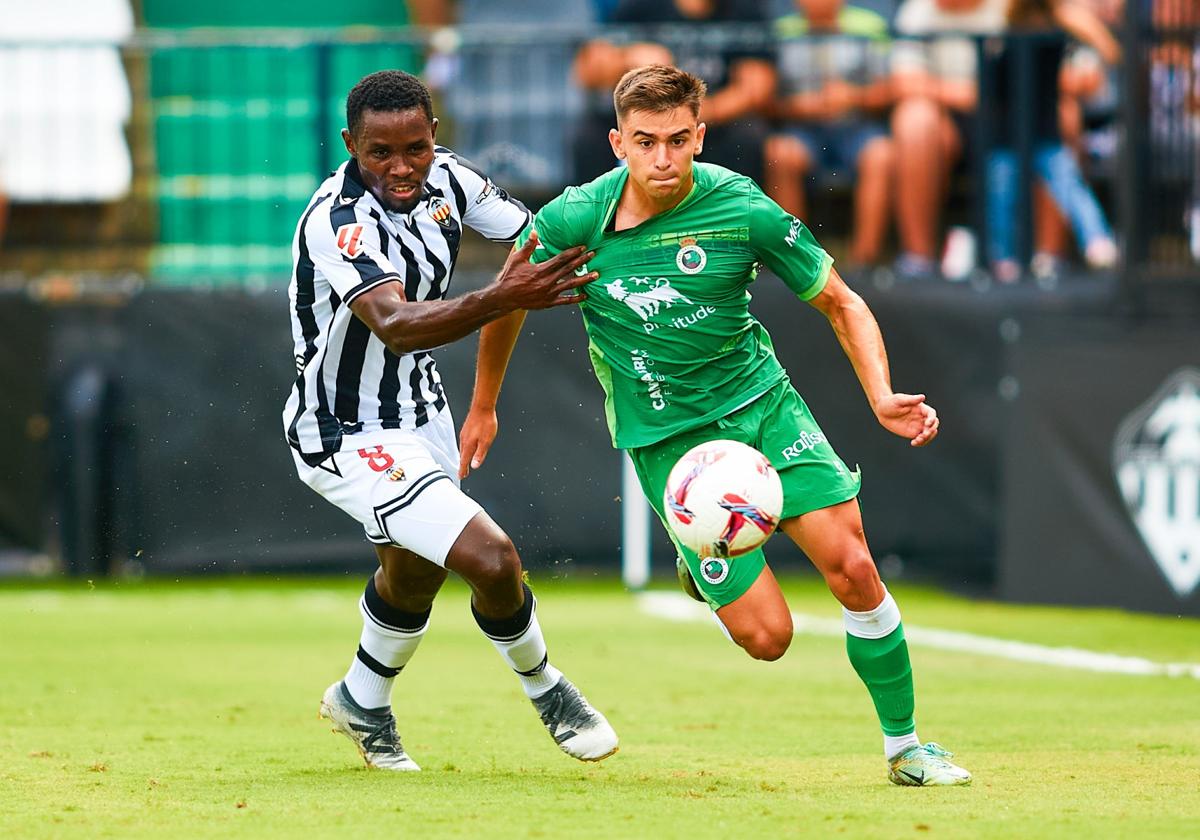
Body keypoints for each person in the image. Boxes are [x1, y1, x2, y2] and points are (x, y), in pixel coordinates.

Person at [461, 65, 971, 786]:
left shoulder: (742, 208)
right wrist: (484, 404)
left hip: (762, 408)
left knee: (855, 568)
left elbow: (842, 301)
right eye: (645, 142)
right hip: (672, 443)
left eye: (677, 140)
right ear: (617, 144)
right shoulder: (574, 220)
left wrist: (881, 395)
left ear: (700, 135)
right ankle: (694, 562)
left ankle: (906, 748)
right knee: (769, 639)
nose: (663, 159)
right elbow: (505, 299)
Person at [282, 70, 617, 771]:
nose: (400, 168)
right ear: (350, 145)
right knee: (491, 559)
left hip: (423, 415)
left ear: (435, 135)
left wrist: (484, 402)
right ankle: (548, 689)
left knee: (414, 575)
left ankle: (361, 699)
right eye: (379, 153)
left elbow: (535, 254)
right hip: (345, 432)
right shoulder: (337, 221)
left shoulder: (455, 183)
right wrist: (501, 294)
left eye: (414, 148)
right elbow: (399, 325)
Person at [572, 0, 776, 185]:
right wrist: (627, 58)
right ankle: (598, 218)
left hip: (713, 121)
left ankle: (733, 220)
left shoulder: (744, 9)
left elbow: (756, 89)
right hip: (643, 113)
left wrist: (691, 112)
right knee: (589, 137)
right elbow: (587, 72)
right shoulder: (638, 7)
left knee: (747, 139)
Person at [765, 0, 896, 270]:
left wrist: (854, 97)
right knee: (780, 152)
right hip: (801, 129)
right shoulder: (780, 31)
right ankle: (795, 261)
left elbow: (891, 89)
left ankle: (865, 264)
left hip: (857, 126)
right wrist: (798, 106)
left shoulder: (870, 26)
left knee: (882, 154)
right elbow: (765, 99)